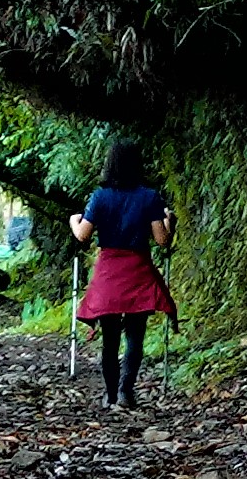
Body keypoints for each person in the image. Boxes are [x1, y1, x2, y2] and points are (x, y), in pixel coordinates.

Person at [71, 143, 179, 411]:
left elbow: (83, 235)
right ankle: (125, 392)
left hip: (109, 272)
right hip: (138, 270)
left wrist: (74, 221)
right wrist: (170, 222)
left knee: (110, 340)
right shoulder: (150, 197)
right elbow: (162, 240)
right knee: (135, 337)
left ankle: (109, 395)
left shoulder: (100, 197)